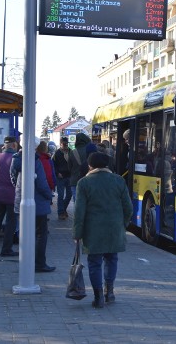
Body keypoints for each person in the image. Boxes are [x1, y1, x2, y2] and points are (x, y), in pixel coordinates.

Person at [73, 152, 132, 308]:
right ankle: (110, 292)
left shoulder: (84, 183)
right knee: (112, 259)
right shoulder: (119, 181)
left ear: (90, 165)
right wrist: (122, 224)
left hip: (93, 230)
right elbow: (128, 208)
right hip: (114, 228)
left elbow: (79, 212)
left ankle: (98, 297)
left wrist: (77, 234)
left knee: (94, 262)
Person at [10, 137, 56, 273]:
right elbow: (41, 184)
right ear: (35, 147)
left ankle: (26, 261)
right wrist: (49, 195)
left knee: (24, 232)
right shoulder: (35, 160)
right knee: (41, 234)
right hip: (37, 203)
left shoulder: (16, 159)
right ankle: (39, 263)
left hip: (21, 200)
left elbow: (13, 178)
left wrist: (20, 190)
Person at [67, 132, 92, 217]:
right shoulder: (90, 150)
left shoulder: (72, 151)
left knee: (77, 203)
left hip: (75, 180)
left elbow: (69, 167)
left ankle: (78, 222)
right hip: (89, 179)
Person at [53, 136, 72, 220]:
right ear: (60, 144)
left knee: (69, 195)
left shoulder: (71, 152)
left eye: (66, 144)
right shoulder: (57, 153)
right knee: (60, 195)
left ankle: (63, 209)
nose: (65, 146)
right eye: (63, 144)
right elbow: (53, 166)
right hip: (60, 177)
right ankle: (61, 213)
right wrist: (57, 173)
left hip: (69, 176)